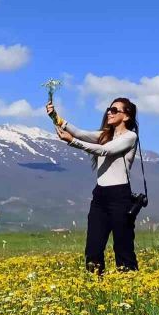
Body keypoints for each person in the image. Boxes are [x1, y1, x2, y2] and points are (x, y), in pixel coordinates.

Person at [46, 98, 140, 275]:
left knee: (123, 248)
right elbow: (80, 132)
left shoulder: (130, 137)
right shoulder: (104, 136)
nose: (109, 113)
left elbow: (105, 150)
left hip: (120, 196)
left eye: (114, 110)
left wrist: (72, 142)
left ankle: (131, 289)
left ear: (126, 116)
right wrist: (55, 117)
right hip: (100, 196)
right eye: (109, 109)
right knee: (93, 249)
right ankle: (95, 291)